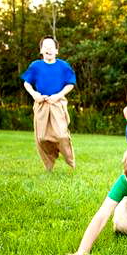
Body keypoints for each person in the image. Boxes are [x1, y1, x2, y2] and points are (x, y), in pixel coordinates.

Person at [21, 36, 76, 171]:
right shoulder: (35, 66)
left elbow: (70, 84)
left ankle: (70, 160)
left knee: (61, 135)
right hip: (41, 103)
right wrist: (35, 94)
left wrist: (58, 96)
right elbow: (26, 82)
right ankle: (49, 164)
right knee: (41, 138)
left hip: (57, 103)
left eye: (51, 47)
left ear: (56, 50)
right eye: (45, 46)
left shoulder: (63, 66)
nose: (48, 49)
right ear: (41, 50)